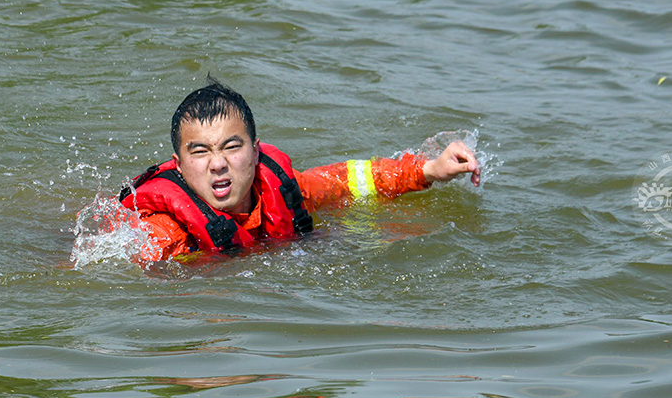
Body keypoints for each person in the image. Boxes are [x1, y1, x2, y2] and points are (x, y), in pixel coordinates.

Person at [119, 78, 480, 263]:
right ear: (179, 166)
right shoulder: (165, 235)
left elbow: (351, 180)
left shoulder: (284, 190)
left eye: (232, 146)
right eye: (200, 152)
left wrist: (429, 169)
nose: (217, 164)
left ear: (256, 151)